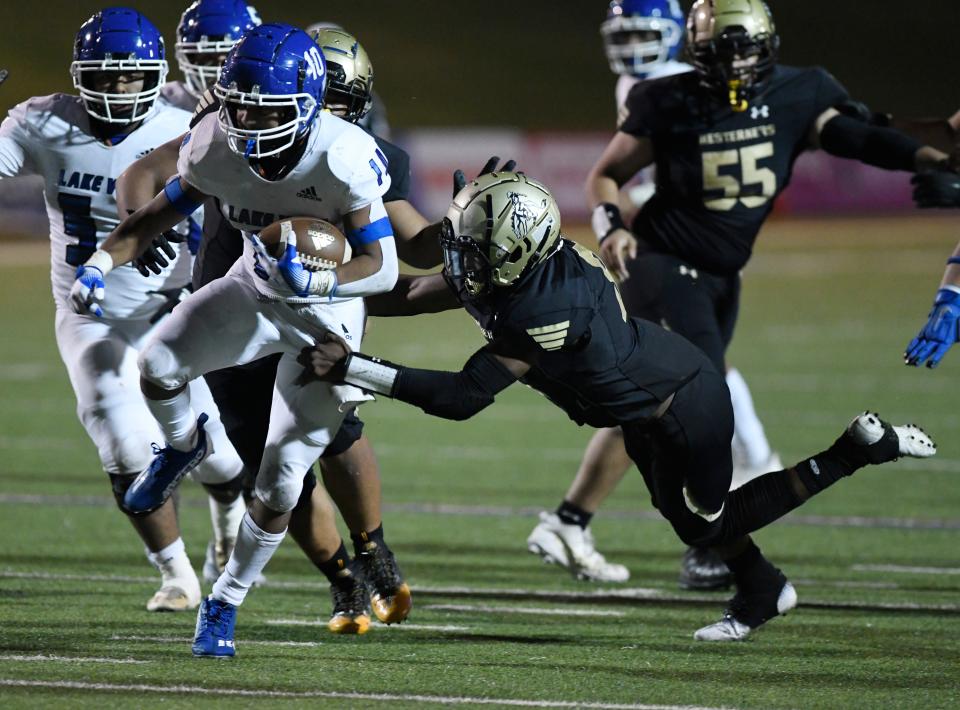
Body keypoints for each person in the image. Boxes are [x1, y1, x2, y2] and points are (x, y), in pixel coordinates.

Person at [302, 170, 937, 641]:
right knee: (688, 523)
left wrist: (354, 366)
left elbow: (463, 397)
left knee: (709, 526)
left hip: (685, 403)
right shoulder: (517, 268)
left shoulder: (545, 305)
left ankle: (856, 452)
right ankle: (764, 588)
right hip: (641, 407)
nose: (462, 260)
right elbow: (415, 293)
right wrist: (319, 292)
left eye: (476, 249)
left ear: (518, 248)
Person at [553, 0, 951, 592]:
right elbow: (605, 174)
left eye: (745, 50)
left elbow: (857, 138)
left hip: (720, 274)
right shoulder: (667, 97)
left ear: (768, 48)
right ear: (698, 53)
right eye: (722, 51)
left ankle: (578, 521)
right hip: (660, 263)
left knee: (664, 409)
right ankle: (715, 547)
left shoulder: (800, 92)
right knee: (698, 406)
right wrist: (610, 226)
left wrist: (930, 158)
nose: (736, 64)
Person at [68, 22, 399, 656]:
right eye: (238, 105)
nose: (247, 121)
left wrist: (322, 280)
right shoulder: (214, 142)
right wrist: (100, 265)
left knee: (281, 482)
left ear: (307, 105)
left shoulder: (342, 153)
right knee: (158, 362)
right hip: (255, 283)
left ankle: (223, 601)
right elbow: (157, 213)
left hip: (326, 313)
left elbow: (381, 266)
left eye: (264, 110)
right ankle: (182, 443)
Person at [527, 0, 780, 590]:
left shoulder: (672, 82)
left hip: (670, 252)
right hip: (661, 257)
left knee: (668, 383)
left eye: (643, 31)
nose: (630, 45)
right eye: (624, 33)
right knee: (670, 388)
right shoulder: (651, 81)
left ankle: (575, 520)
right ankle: (719, 522)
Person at [0, 6, 245, 612]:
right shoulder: (40, 121)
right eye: (104, 77)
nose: (117, 89)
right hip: (93, 313)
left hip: (180, 306)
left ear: (157, 74)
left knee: (222, 456)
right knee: (123, 443)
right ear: (78, 75)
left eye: (131, 76)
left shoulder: (188, 120)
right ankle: (177, 574)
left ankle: (226, 524)